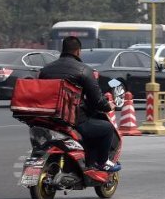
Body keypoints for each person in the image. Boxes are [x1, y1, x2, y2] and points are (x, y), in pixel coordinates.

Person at [39, 36, 121, 172]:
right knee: (107, 128)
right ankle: (102, 162)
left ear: (62, 50)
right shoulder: (84, 70)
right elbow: (97, 100)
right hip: (73, 120)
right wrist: (108, 106)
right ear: (78, 52)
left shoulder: (46, 70)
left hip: (47, 118)